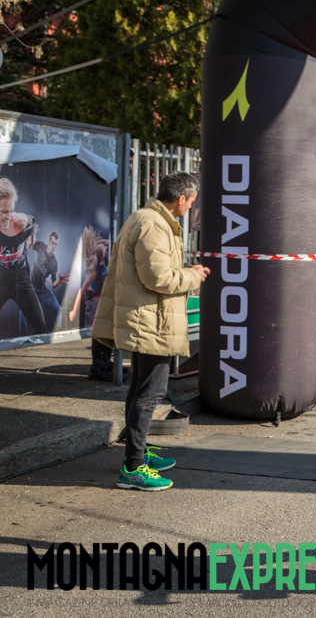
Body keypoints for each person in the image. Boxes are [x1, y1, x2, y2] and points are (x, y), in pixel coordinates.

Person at [91, 172, 208, 491]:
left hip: (147, 319)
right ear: (181, 199)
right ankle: (133, 468)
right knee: (149, 394)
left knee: (141, 391)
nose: (191, 207)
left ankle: (138, 454)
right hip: (151, 322)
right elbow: (158, 278)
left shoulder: (147, 218)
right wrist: (193, 276)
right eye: (191, 201)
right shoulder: (153, 224)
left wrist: (185, 272)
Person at [0, 176, 46, 336]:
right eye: (4, 211)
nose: (8, 216)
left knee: (41, 329)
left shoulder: (19, 221)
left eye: (11, 211)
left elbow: (31, 221)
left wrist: (32, 236)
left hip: (22, 283)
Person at [69, 226, 113, 381]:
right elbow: (81, 290)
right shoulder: (94, 273)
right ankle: (99, 367)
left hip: (103, 303)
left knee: (105, 333)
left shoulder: (102, 266)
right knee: (99, 335)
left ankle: (104, 363)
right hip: (96, 305)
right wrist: (74, 310)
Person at [21, 230, 69, 333]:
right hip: (30, 287)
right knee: (23, 313)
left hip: (41, 290)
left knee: (58, 310)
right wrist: (29, 236)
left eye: (56, 244)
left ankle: (58, 334)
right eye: (52, 243)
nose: (54, 246)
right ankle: (22, 338)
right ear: (49, 241)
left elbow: (53, 285)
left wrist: (59, 281)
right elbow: (28, 245)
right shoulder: (40, 246)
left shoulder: (54, 263)